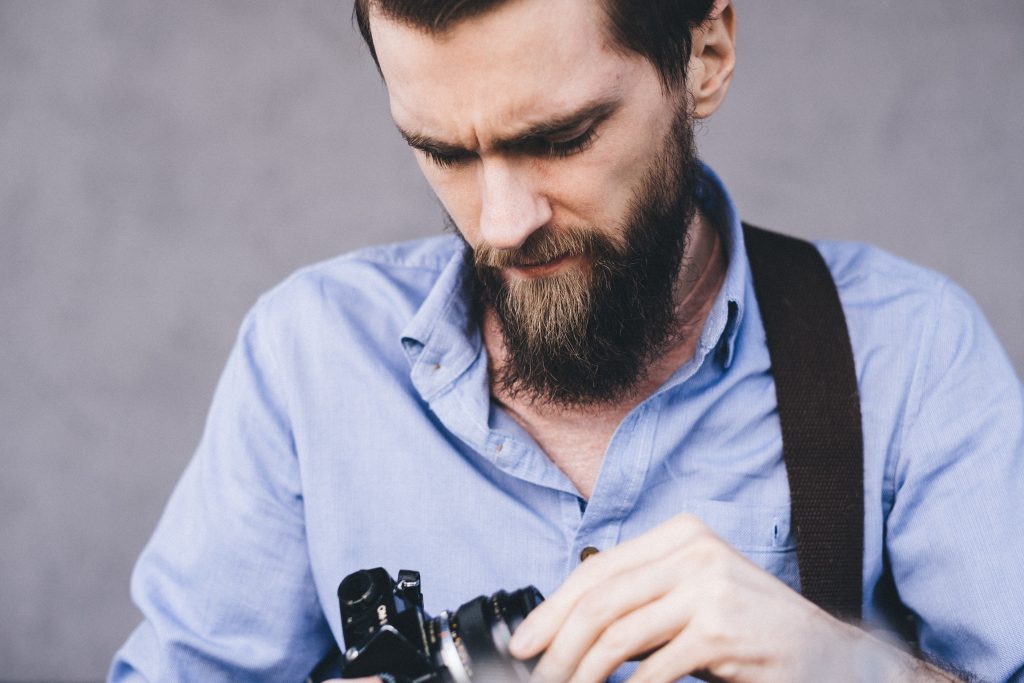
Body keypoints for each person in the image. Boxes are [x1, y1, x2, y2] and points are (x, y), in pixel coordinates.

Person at [109, 1, 1024, 681]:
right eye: (445, 153)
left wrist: (847, 669)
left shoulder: (908, 353)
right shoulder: (305, 356)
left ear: (704, 53)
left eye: (561, 138)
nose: (500, 225)